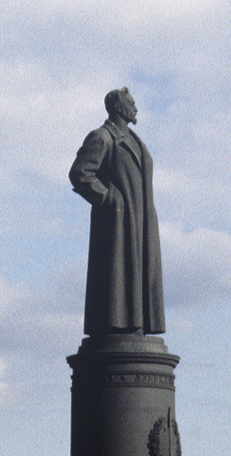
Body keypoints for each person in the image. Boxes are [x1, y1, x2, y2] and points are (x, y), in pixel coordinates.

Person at [70, 86, 165, 336]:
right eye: (131, 103)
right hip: (119, 223)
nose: (136, 108)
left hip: (142, 221)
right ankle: (118, 325)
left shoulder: (136, 141)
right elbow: (80, 173)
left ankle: (139, 323)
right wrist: (109, 199)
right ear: (119, 108)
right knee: (119, 274)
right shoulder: (102, 137)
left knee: (140, 272)